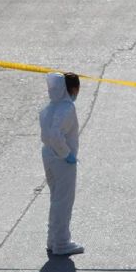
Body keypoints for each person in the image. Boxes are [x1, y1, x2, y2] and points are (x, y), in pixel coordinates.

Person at [39, 72, 84, 256]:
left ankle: (53, 239)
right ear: (71, 89)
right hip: (61, 160)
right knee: (64, 202)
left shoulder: (48, 108)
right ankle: (62, 243)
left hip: (49, 157)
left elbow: (48, 135)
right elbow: (55, 135)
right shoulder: (67, 108)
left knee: (56, 200)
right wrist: (67, 154)